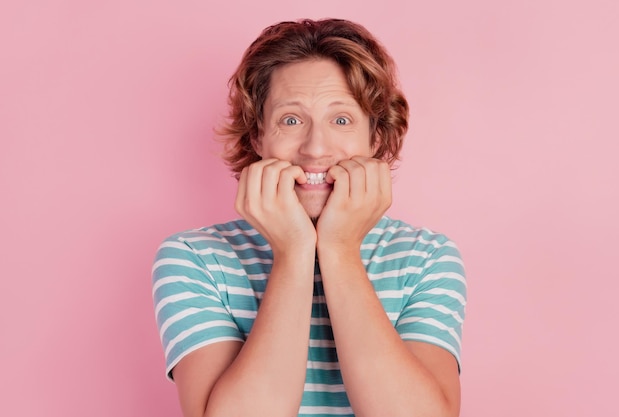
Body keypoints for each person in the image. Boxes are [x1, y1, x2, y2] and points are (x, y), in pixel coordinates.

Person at [152, 18, 466, 417]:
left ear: (375, 137)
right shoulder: (195, 258)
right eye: (291, 120)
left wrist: (339, 249)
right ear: (257, 137)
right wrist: (294, 251)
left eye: (341, 120)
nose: (316, 149)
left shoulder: (427, 257)